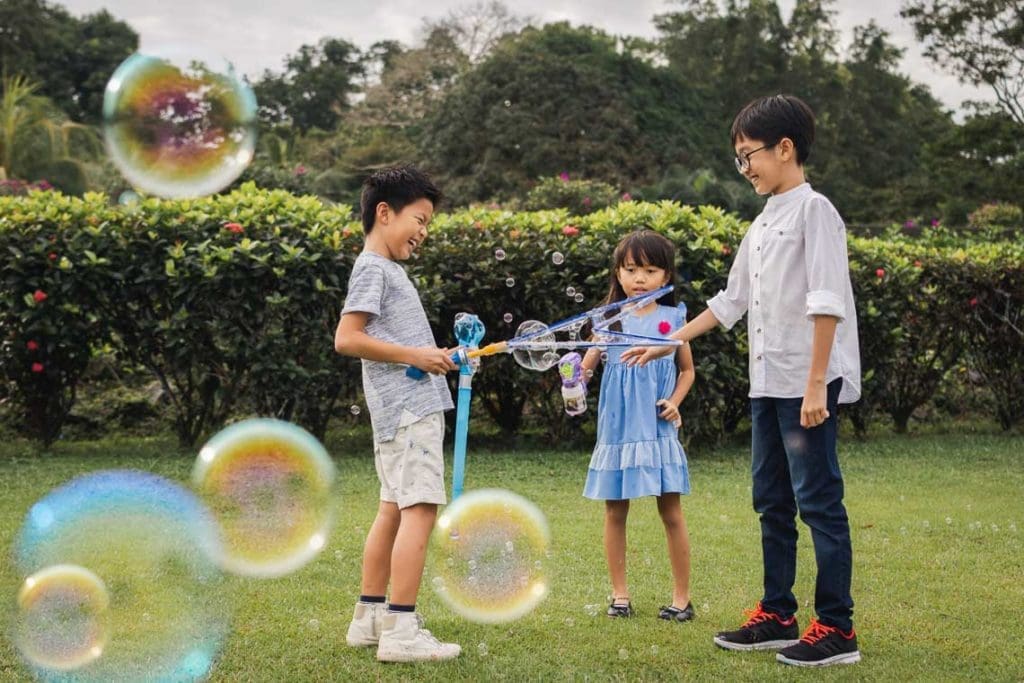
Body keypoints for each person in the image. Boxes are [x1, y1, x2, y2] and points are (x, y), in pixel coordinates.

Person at [623, 94, 862, 667]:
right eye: (739, 158)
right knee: (771, 502)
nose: (745, 167)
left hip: (807, 384)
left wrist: (814, 385)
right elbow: (731, 303)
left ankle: (837, 627)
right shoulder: (762, 222)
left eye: (748, 155)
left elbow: (826, 303)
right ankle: (778, 615)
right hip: (766, 384)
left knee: (819, 503)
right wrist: (667, 339)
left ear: (785, 148)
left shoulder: (815, 212)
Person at [334, 166, 461, 663]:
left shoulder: (386, 270)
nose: (424, 232)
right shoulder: (374, 268)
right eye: (420, 219)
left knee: (393, 507)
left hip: (399, 413)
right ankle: (403, 629)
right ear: (384, 213)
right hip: (410, 415)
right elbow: (348, 339)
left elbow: (392, 340)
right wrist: (415, 356)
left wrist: (436, 355)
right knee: (420, 509)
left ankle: (370, 618)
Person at [581, 229, 696, 623]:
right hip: (617, 429)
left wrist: (675, 402)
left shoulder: (673, 320)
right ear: (618, 272)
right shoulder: (608, 321)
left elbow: (687, 371)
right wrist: (573, 377)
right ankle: (620, 596)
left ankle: (682, 599)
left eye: (650, 269)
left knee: (672, 512)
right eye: (631, 269)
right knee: (616, 511)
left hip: (658, 426)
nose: (640, 279)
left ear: (666, 277)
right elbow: (584, 368)